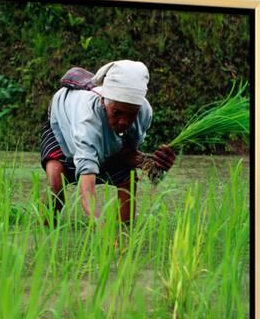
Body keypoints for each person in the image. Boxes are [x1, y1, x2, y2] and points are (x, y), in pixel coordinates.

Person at [40, 60, 175, 222]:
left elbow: (127, 155)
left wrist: (154, 166)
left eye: (130, 115)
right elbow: (87, 181)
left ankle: (126, 227)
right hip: (62, 123)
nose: (124, 122)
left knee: (127, 177)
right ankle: (45, 227)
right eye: (117, 113)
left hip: (95, 131)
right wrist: (100, 224)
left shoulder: (144, 113)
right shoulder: (87, 119)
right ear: (105, 103)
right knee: (56, 179)